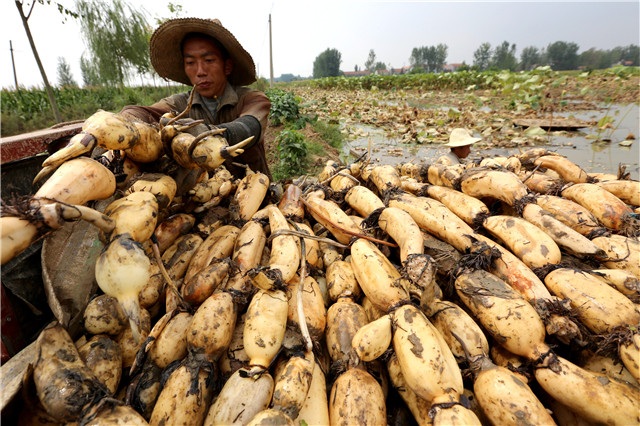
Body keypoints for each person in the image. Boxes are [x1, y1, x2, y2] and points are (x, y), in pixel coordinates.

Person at [120, 18, 272, 179]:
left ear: (227, 66)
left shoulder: (252, 99)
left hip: (255, 195)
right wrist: (123, 121)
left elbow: (249, 126)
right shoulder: (178, 104)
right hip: (204, 198)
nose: (200, 71)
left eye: (209, 60)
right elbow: (144, 113)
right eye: (191, 62)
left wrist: (205, 133)